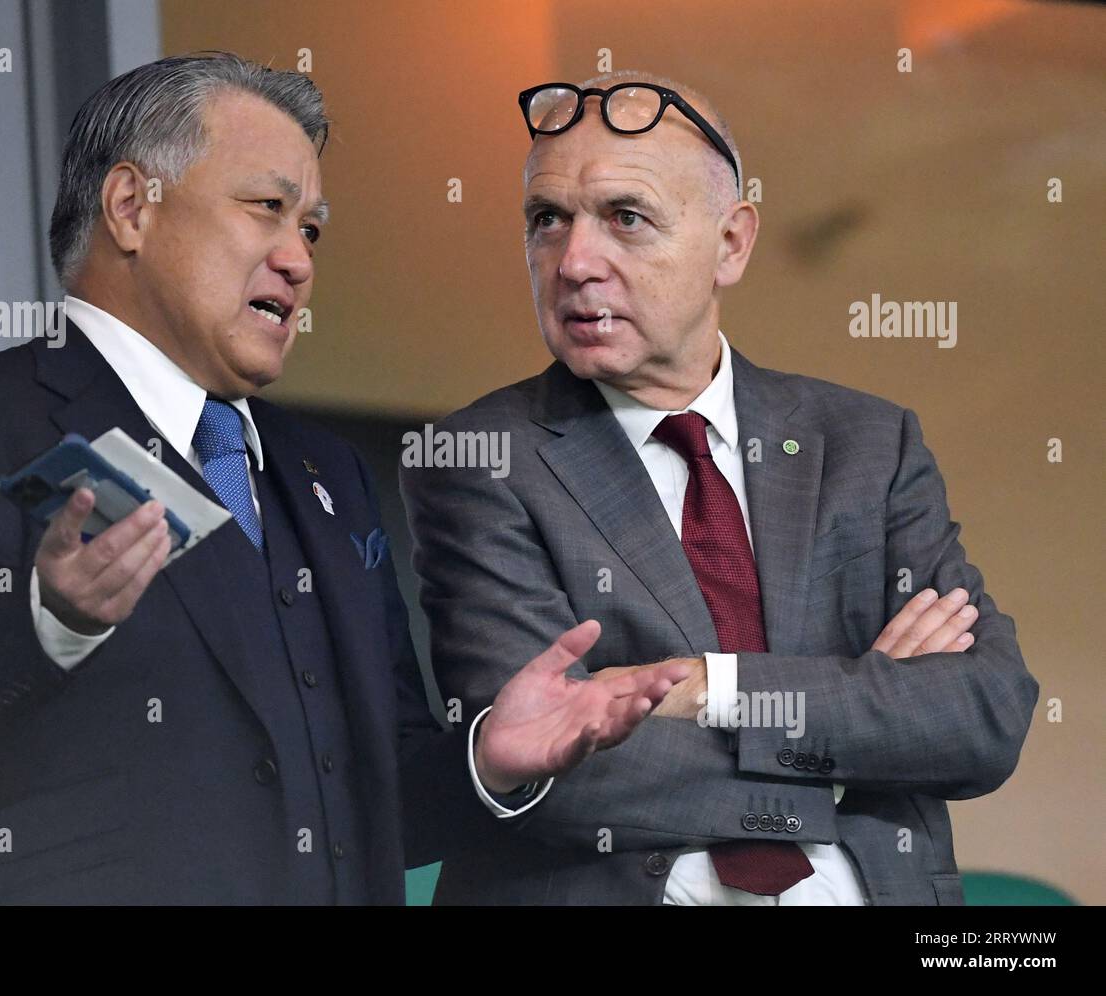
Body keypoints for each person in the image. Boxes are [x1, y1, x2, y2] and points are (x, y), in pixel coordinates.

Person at [0, 54, 686, 905]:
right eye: (267, 209)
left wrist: (488, 760)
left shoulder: (329, 473)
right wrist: (49, 621)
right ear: (133, 208)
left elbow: (379, 799)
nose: (298, 259)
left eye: (311, 228)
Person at [400, 72, 1039, 905]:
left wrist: (716, 688)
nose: (575, 262)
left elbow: (982, 716)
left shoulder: (870, 444)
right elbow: (558, 767)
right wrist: (854, 743)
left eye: (625, 218)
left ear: (732, 244)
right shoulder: (478, 457)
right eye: (546, 220)